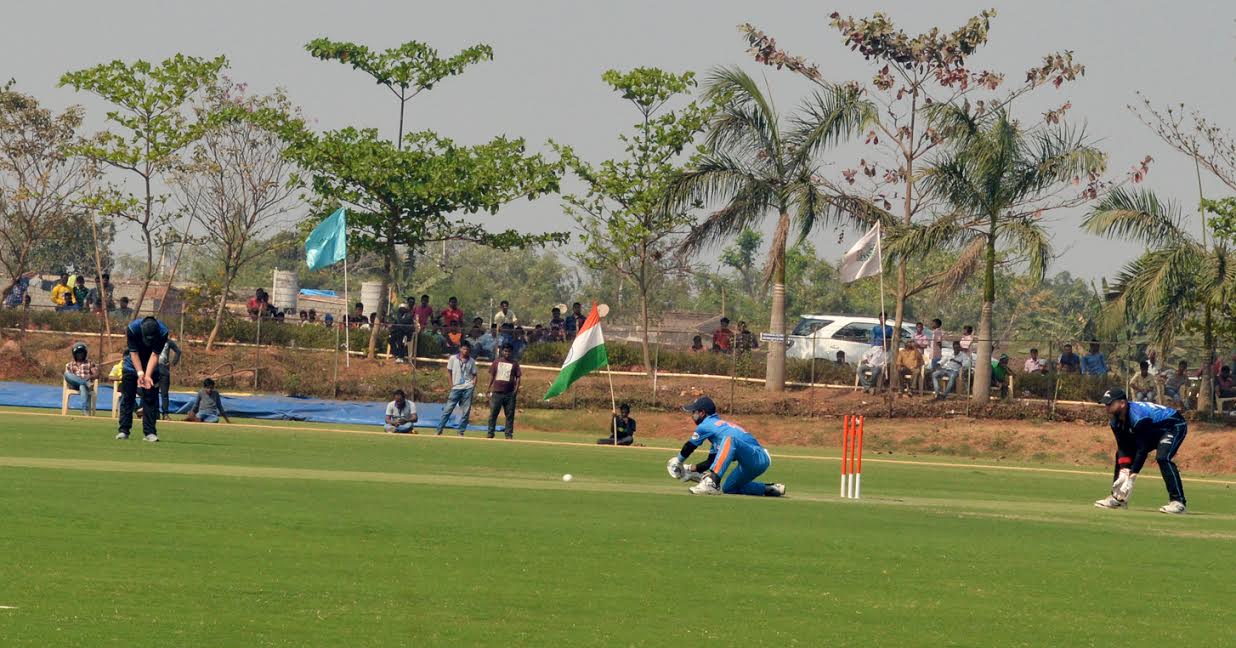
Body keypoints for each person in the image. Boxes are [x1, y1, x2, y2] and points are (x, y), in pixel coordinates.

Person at [665, 396, 785, 497]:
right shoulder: (718, 431)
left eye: (694, 412)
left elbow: (690, 446)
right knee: (729, 488)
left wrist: (678, 461)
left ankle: (712, 483)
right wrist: (689, 469)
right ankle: (771, 489)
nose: (692, 415)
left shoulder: (706, 425)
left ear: (702, 413)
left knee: (730, 440)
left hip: (758, 456)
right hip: (751, 463)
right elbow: (711, 462)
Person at [1094, 389, 1188, 514]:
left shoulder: (1138, 418)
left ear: (1122, 403)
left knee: (1163, 457)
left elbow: (1142, 449)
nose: (1107, 407)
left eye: (1109, 404)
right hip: (1153, 430)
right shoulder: (1114, 420)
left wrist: (1132, 475)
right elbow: (1123, 446)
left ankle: (1178, 502)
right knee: (1119, 456)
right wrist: (1124, 470)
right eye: (1105, 404)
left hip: (1173, 426)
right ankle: (1118, 498)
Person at [117, 316, 169, 442]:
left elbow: (155, 354)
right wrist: (140, 373)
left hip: (151, 366)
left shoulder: (163, 332)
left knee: (151, 399)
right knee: (128, 398)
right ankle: (124, 431)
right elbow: (133, 353)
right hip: (131, 366)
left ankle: (150, 432)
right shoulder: (133, 329)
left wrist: (147, 376)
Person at [435, 341, 477, 436]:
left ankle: (461, 431)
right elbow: (449, 372)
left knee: (466, 411)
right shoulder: (453, 358)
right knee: (448, 409)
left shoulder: (471, 361)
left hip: (468, 387)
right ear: (460, 349)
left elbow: (474, 375)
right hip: (456, 387)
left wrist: (473, 385)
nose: (465, 351)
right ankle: (439, 429)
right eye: (464, 348)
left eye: (467, 349)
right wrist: (451, 385)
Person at [485, 344, 521, 439]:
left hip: (509, 393)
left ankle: (508, 434)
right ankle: (490, 433)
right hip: (497, 392)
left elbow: (518, 377)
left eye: (509, 351)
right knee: (493, 414)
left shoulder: (514, 363)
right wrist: (488, 388)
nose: (507, 353)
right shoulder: (496, 362)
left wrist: (516, 390)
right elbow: (492, 376)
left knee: (509, 415)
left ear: (511, 352)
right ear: (502, 351)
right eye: (505, 351)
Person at [64, 342, 99, 416]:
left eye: (82, 353)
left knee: (82, 386)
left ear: (85, 353)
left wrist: (90, 376)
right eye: (78, 353)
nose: (80, 354)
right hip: (75, 384)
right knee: (66, 374)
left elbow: (96, 374)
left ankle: (85, 410)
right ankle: (85, 383)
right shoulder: (69, 365)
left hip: (85, 386)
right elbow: (68, 377)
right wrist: (85, 381)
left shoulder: (90, 363)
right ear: (74, 354)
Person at [157, 336, 182, 420]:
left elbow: (178, 351)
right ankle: (154, 412)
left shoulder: (168, 342)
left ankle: (165, 414)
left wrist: (172, 363)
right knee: (152, 392)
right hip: (153, 368)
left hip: (163, 369)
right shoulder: (152, 340)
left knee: (164, 393)